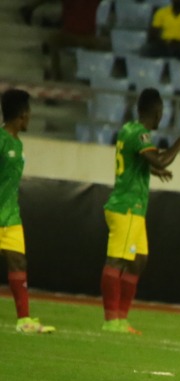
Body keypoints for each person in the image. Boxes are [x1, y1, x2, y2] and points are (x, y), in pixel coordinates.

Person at [101, 88, 180, 334]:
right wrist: (178, 145)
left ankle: (121, 318)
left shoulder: (128, 129)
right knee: (117, 260)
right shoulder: (140, 134)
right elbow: (160, 159)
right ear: (158, 112)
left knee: (139, 260)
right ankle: (112, 320)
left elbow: (139, 161)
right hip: (127, 206)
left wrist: (153, 171)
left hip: (134, 208)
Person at [1, 90, 55, 334]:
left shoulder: (17, 144)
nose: (31, 117)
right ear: (21, 115)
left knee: (18, 261)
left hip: (11, 214)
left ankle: (24, 320)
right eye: (29, 112)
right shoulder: (1, 141)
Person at [44, 0, 109, 81]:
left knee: (105, 44)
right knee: (53, 39)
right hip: (74, 35)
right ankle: (56, 74)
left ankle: (93, 73)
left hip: (86, 37)